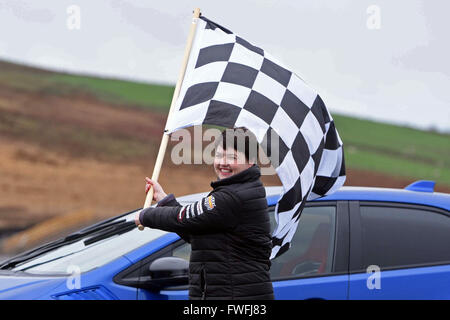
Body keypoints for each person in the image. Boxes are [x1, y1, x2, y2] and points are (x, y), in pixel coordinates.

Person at [135, 127, 274, 300]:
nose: (223, 162)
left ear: (251, 160)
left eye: (232, 157)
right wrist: (163, 200)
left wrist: (145, 216)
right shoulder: (237, 190)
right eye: (219, 155)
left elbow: (184, 218)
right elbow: (197, 231)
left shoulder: (231, 197)